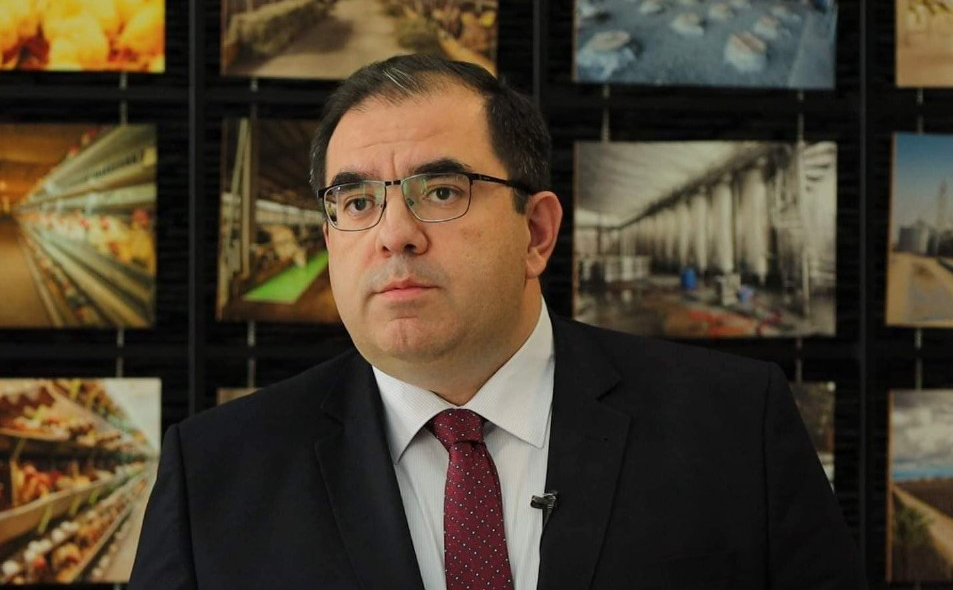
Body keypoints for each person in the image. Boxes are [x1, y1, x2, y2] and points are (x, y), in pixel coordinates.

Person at [129, 54, 866, 590]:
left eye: (441, 191)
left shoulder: (733, 426)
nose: (393, 235)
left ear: (536, 233)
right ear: (330, 238)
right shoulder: (217, 472)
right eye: (356, 203)